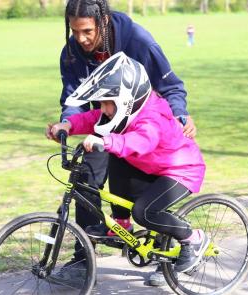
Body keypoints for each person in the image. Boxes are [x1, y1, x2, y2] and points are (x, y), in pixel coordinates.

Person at [45, 0, 197, 286]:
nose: (81, 39)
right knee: (84, 179)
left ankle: (173, 247)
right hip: (107, 121)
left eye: (87, 31)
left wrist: (178, 115)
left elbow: (170, 85)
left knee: (148, 200)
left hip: (144, 125)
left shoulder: (138, 41)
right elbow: (74, 99)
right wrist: (66, 123)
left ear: (103, 21)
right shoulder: (72, 53)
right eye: (75, 31)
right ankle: (84, 255)